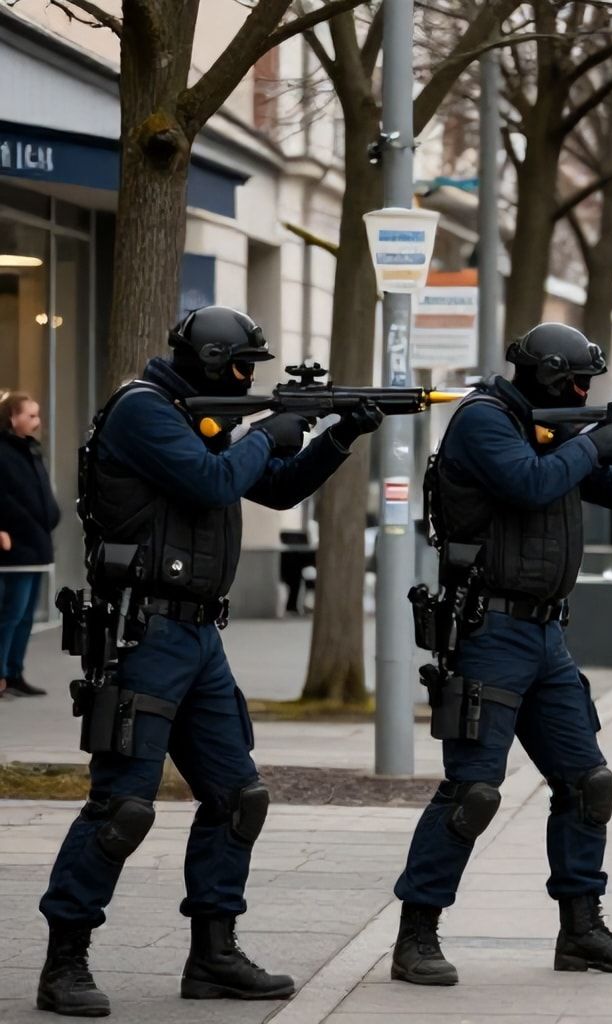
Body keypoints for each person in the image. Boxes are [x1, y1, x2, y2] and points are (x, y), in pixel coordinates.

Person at [35, 306, 377, 1016]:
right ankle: (64, 959)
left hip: (197, 637)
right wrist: (270, 429)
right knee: (123, 806)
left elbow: (274, 487)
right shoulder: (144, 410)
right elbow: (212, 482)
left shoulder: (199, 417)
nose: (252, 377)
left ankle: (213, 956)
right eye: (245, 365)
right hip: (143, 634)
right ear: (215, 361)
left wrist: (338, 434)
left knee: (237, 797)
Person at [392, 323, 612, 987]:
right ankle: (416, 934)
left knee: (587, 782)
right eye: (577, 383)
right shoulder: (484, 420)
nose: (584, 393)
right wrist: (597, 439)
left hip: (545, 636)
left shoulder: (553, 429)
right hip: (487, 631)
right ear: (547, 376)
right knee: (473, 791)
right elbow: (530, 484)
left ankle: (581, 930)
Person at [0, 390, 60, 697]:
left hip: (36, 542)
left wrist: (51, 516)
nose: (37, 421)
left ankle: (14, 672)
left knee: (24, 615)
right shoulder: (4, 451)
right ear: (13, 418)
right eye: (31, 415)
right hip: (16, 545)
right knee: (10, 613)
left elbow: (39, 490)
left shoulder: (31, 450)